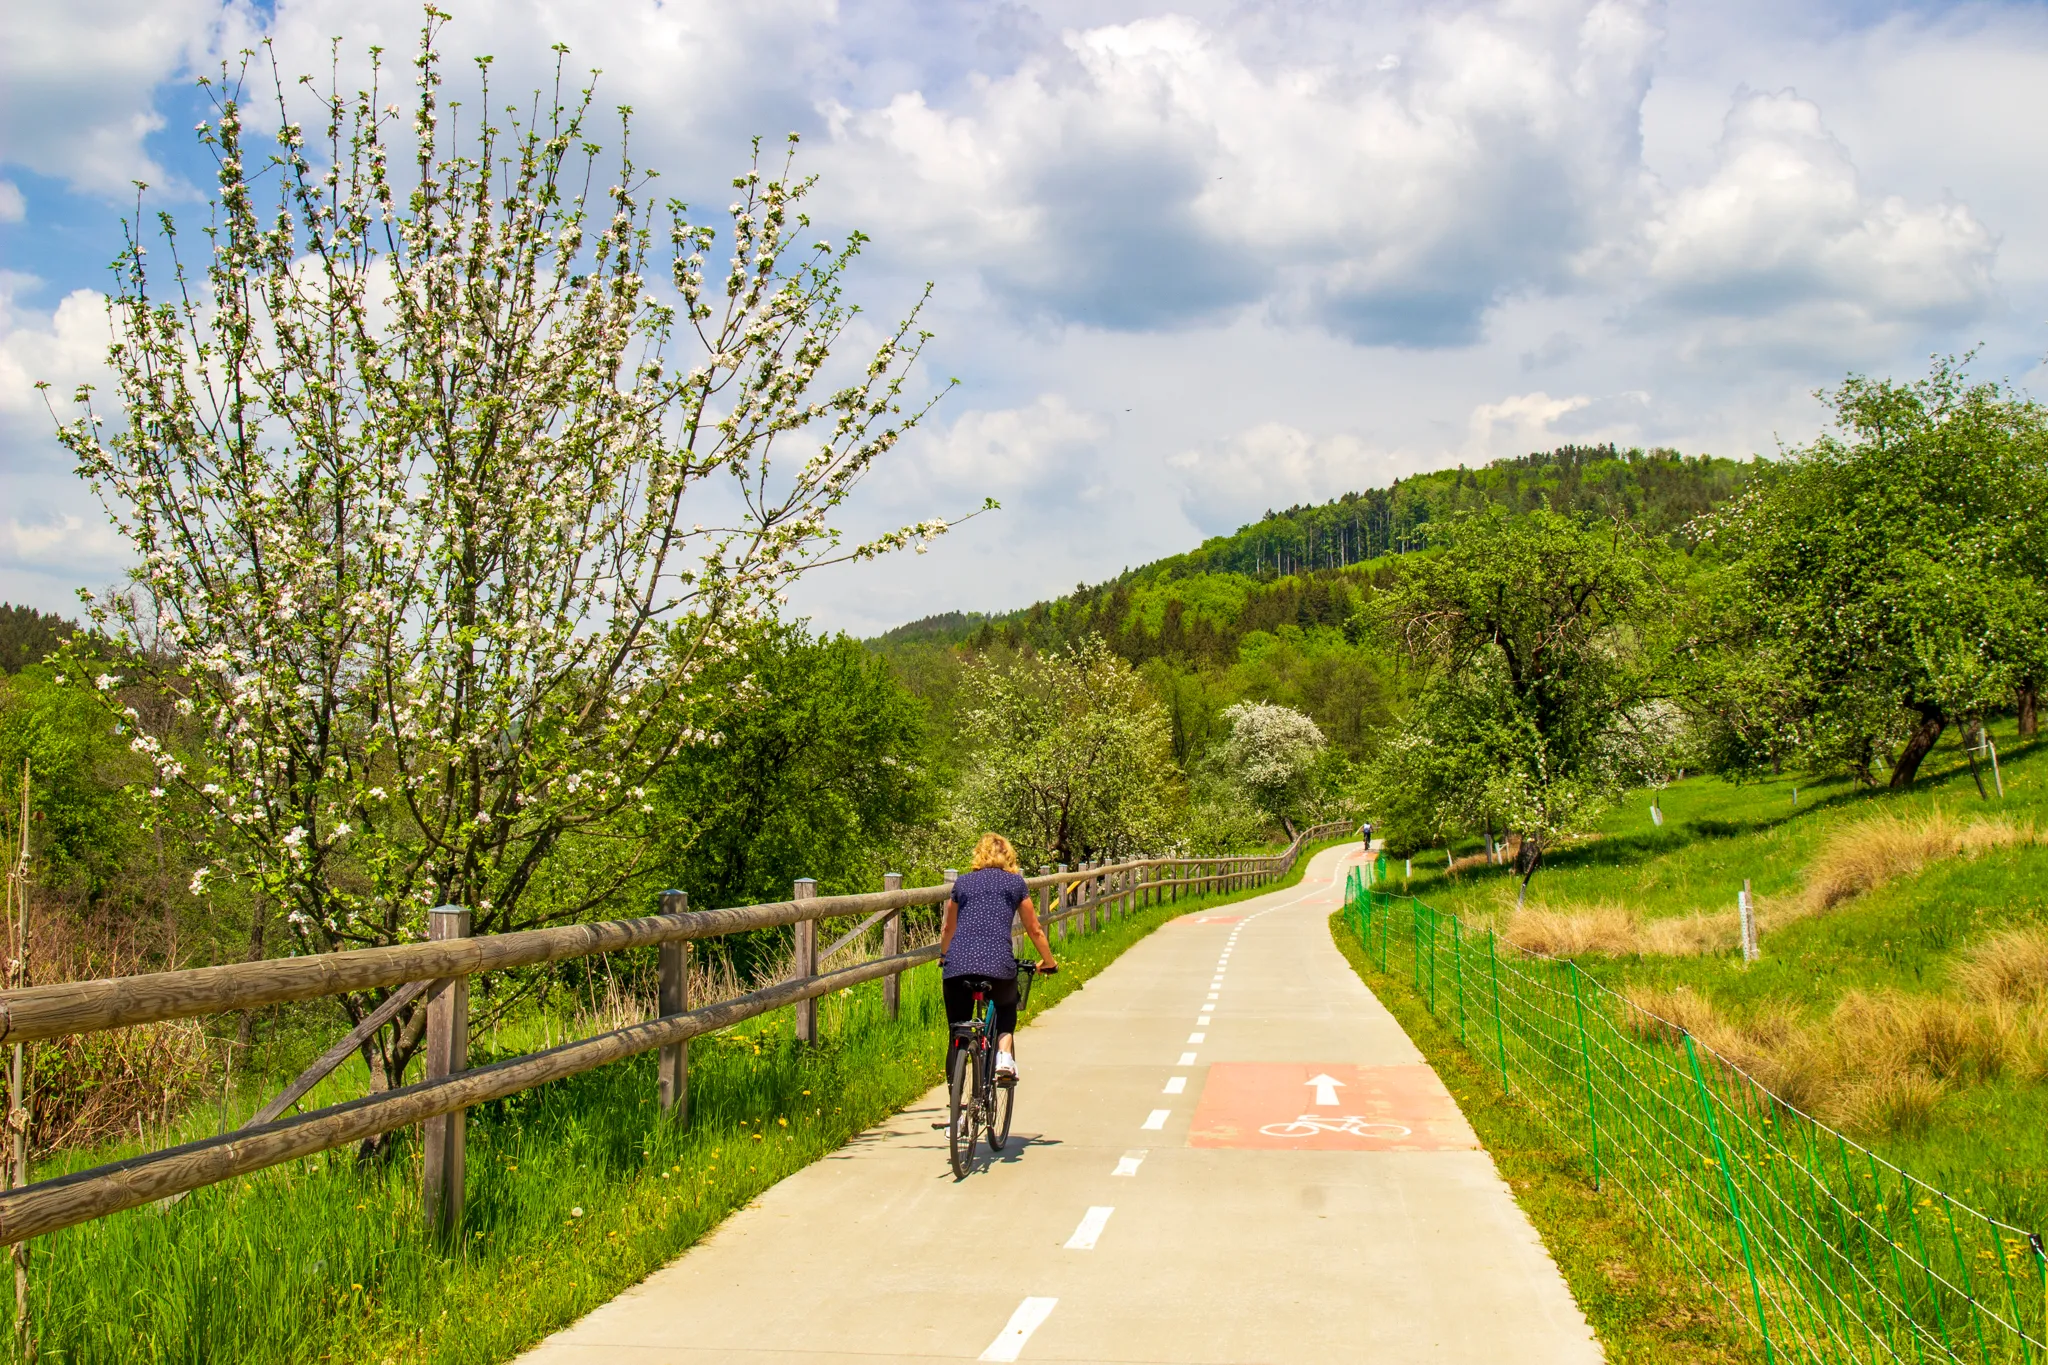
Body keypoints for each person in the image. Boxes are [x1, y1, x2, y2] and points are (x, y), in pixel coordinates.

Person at [940, 833, 1056, 1081]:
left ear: (978, 855)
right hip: (998, 964)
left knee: (956, 1033)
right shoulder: (1015, 884)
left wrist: (943, 956)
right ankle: (1004, 1057)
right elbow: (1034, 929)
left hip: (957, 965)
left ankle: (956, 1105)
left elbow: (948, 928)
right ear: (1008, 856)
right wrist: (1049, 961)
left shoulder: (962, 884)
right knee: (1006, 1005)